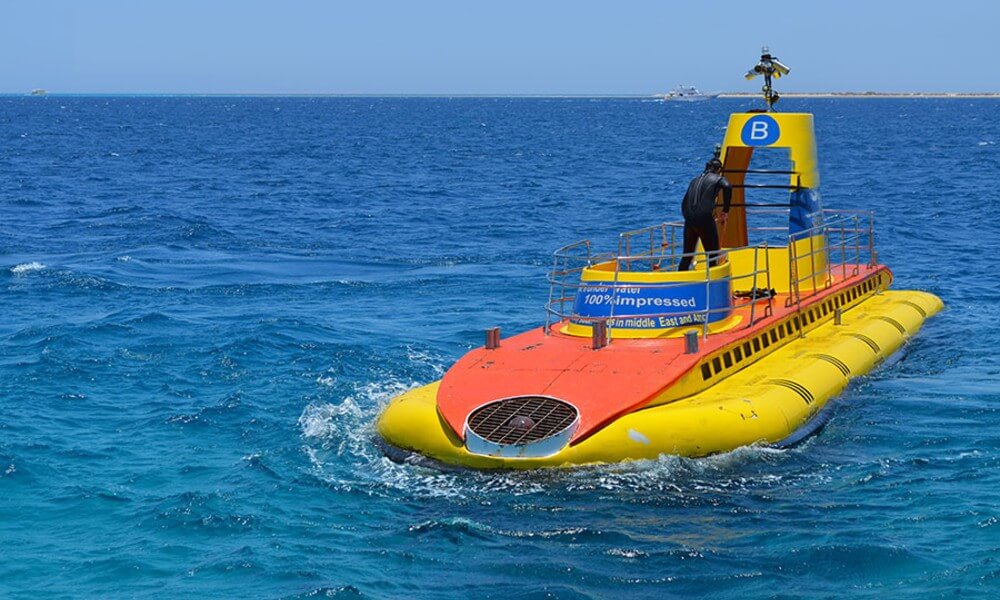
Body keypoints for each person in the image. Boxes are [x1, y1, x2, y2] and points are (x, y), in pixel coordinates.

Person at [678, 157, 732, 271]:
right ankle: (711, 284)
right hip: (705, 219)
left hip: (689, 219)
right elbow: (727, 186)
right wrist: (725, 210)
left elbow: (685, 200)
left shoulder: (694, 180)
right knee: (712, 254)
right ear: (718, 169)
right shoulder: (717, 178)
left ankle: (679, 281)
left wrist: (687, 215)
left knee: (687, 255)